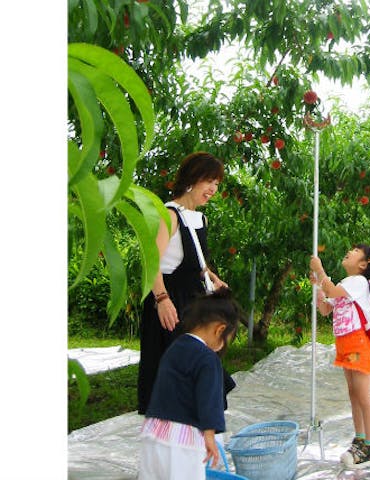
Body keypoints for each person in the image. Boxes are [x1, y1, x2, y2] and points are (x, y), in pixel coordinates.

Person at [138, 151, 231, 415]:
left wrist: (213, 278)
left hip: (194, 305)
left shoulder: (200, 219)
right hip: (170, 304)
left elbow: (197, 264)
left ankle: (198, 445)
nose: (213, 189)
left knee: (201, 377)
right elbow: (151, 262)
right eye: (209, 181)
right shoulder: (170, 215)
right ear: (192, 179)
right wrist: (161, 299)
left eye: (217, 183)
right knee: (175, 382)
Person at [138, 288, 242, 480]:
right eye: (226, 341)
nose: (222, 347)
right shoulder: (208, 359)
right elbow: (209, 400)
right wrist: (210, 435)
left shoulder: (175, 347)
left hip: (152, 432)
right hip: (182, 439)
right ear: (219, 329)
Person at [309, 244, 370, 468]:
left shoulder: (358, 282)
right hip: (345, 347)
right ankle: (359, 439)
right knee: (353, 394)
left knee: (362, 396)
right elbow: (325, 308)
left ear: (363, 264)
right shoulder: (345, 283)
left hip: (358, 346)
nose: (349, 251)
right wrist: (317, 289)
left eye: (355, 250)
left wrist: (321, 271)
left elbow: (332, 291)